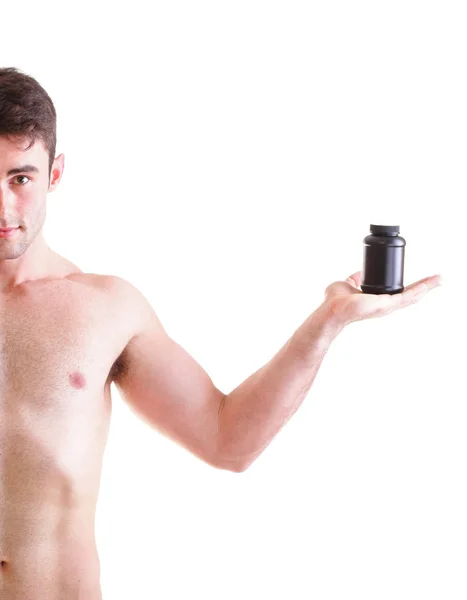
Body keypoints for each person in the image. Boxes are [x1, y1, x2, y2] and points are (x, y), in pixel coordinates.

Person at [0, 66, 442, 599]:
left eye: (20, 178)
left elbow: (227, 440)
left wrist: (327, 322)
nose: (4, 207)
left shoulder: (105, 309)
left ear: (55, 173)